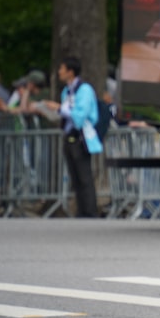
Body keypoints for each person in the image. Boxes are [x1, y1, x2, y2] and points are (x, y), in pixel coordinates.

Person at [45, 56, 103, 217]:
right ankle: (81, 210)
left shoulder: (84, 90)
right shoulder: (66, 91)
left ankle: (90, 212)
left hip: (81, 137)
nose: (59, 72)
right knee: (75, 176)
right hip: (68, 135)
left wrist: (58, 108)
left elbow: (80, 115)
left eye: (62, 69)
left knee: (84, 176)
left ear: (70, 72)